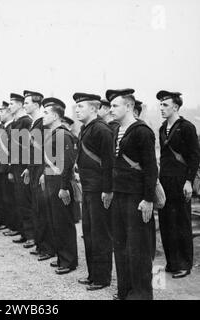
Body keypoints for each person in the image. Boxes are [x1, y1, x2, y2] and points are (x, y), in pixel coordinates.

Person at [107, 88, 157, 300]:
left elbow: (151, 168)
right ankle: (125, 291)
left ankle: (141, 294)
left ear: (129, 106)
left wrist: (148, 199)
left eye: (115, 105)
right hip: (119, 194)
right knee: (120, 245)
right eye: (110, 106)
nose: (111, 109)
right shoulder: (116, 129)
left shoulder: (142, 131)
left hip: (136, 197)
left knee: (139, 248)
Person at [157, 90, 200, 279]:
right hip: (166, 181)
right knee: (167, 223)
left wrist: (189, 181)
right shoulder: (161, 128)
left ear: (175, 106)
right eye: (160, 105)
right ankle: (172, 262)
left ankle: (184, 264)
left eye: (165, 105)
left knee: (181, 222)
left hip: (181, 181)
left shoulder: (187, 127)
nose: (161, 108)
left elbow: (194, 157)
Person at [73, 92, 113, 291]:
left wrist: (107, 189)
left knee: (100, 235)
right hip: (88, 189)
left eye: (81, 107)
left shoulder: (101, 129)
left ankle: (102, 277)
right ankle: (93, 274)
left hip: (99, 191)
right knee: (88, 233)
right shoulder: (85, 128)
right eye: (76, 107)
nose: (76, 110)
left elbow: (108, 163)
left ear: (94, 109)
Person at [41, 97, 78, 275]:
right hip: (52, 183)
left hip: (60, 184)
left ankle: (69, 261)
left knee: (64, 222)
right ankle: (62, 257)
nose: (43, 116)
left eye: (46, 113)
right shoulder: (54, 134)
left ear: (56, 116)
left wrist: (63, 187)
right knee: (55, 221)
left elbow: (67, 163)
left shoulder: (62, 134)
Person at [22, 90, 55, 260]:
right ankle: (41, 245)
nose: (24, 105)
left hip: (42, 170)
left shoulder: (43, 123)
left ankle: (48, 248)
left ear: (36, 104)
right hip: (34, 169)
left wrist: (44, 172)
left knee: (43, 210)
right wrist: (29, 167)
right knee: (36, 208)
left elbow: (47, 150)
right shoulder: (34, 122)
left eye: (27, 102)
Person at [8, 93, 34, 246]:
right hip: (17, 166)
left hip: (24, 166)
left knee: (26, 200)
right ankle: (25, 232)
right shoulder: (15, 122)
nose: (10, 106)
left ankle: (32, 235)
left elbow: (28, 147)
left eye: (12, 104)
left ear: (19, 105)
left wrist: (27, 167)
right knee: (20, 200)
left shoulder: (26, 121)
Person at [0, 101, 18, 237]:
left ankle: (15, 226)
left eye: (2, 111)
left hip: (10, 168)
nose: (0, 114)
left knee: (12, 199)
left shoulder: (12, 127)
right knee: (7, 198)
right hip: (3, 168)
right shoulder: (5, 128)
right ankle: (11, 225)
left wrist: (10, 168)